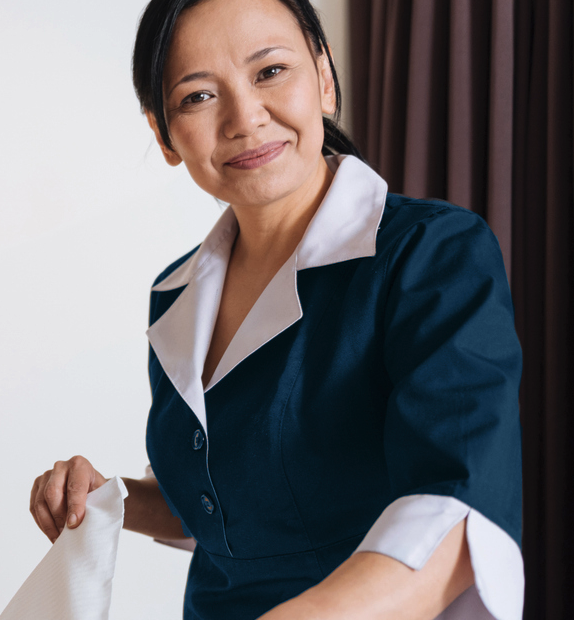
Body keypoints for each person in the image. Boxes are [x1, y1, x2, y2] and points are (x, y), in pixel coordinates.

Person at [27, 0, 524, 618]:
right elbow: (225, 503)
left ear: (324, 79)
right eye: (198, 97)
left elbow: (456, 512)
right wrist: (111, 497)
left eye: (270, 72)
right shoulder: (175, 295)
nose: (245, 118)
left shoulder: (431, 253)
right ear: (164, 135)